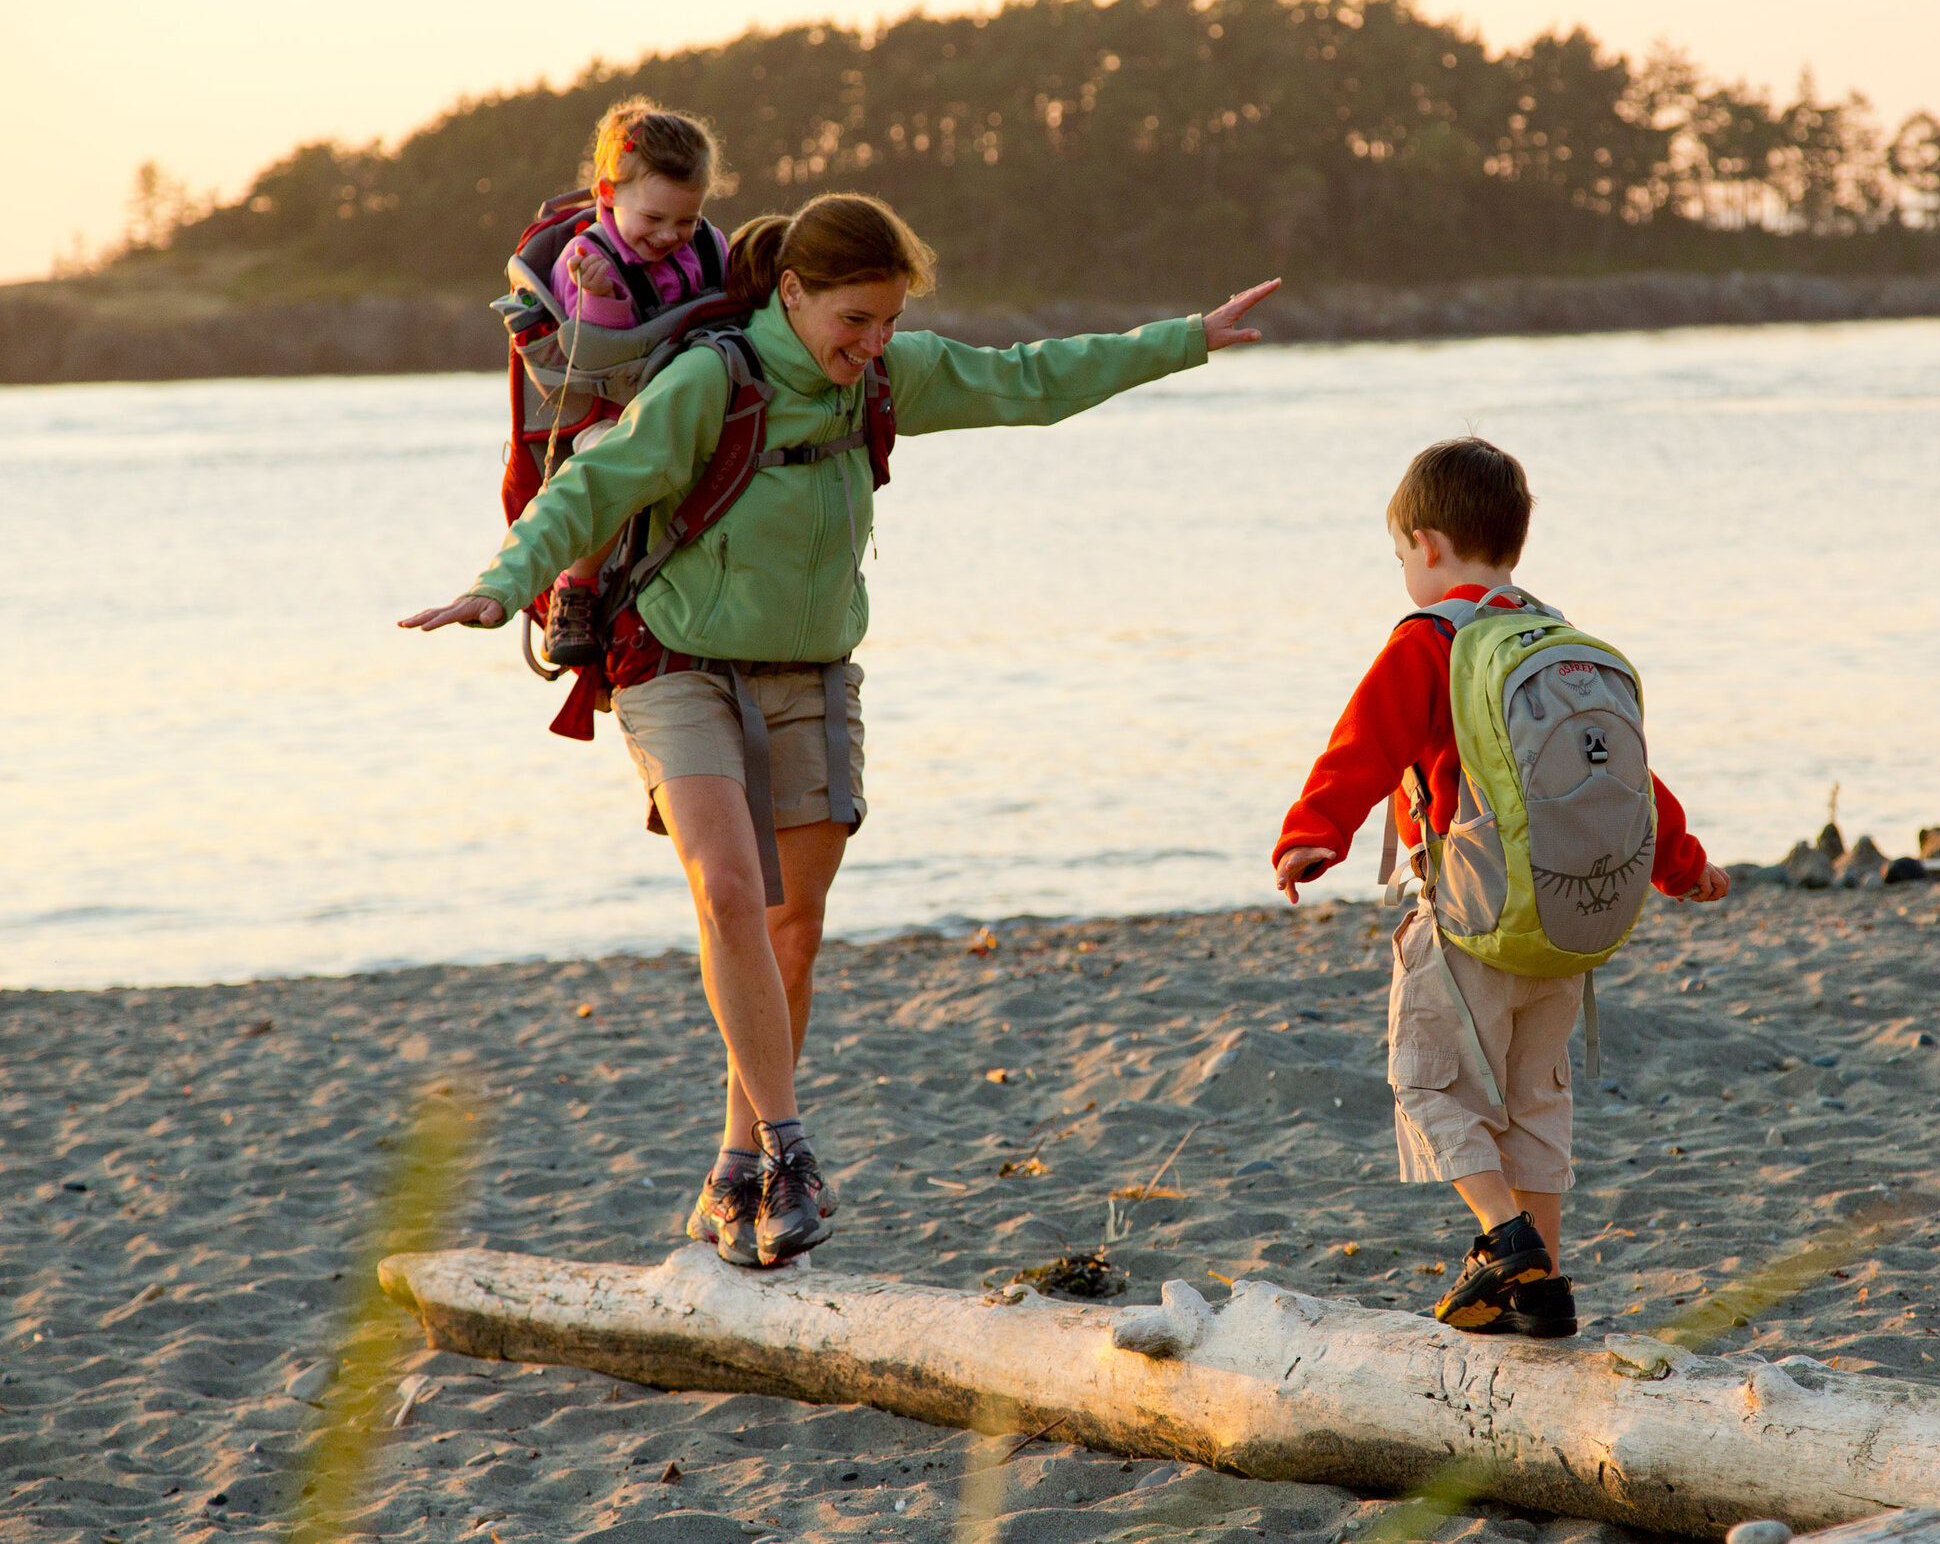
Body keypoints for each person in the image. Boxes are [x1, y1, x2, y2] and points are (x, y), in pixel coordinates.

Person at [405, 191, 1279, 1267]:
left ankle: (735, 1167)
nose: (870, 347)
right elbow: (590, 486)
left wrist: (1185, 340)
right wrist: (501, 586)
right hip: (678, 665)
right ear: (793, 293)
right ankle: (789, 1146)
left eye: (888, 325)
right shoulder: (709, 382)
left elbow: (1031, 380)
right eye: (852, 321)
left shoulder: (883, 382)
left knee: (792, 930)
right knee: (727, 890)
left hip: (813, 674)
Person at [1270, 436, 1730, 1335]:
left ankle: (1504, 1236)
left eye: (1401, 552)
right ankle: (1545, 1285)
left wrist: (1312, 834)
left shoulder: (1431, 639)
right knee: (1535, 1102)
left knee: (1429, 1083)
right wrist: (1684, 862)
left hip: (1470, 923)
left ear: (1428, 544)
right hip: (1562, 921)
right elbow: (1628, 780)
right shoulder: (1557, 642)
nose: (1404, 567)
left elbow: (1362, 742)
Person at [540, 98, 732, 667]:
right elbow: (599, 359)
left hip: (699, 397)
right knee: (616, 470)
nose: (670, 235)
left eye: (686, 220)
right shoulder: (585, 259)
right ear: (607, 196)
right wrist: (601, 299)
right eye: (653, 219)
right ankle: (575, 586)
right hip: (613, 412)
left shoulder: (706, 245)